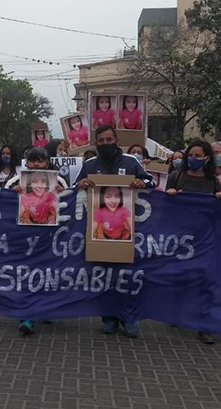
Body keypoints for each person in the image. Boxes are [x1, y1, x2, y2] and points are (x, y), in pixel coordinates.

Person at [75, 125, 153, 338]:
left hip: (126, 231)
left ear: (116, 140)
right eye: (101, 140)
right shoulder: (90, 164)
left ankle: (129, 318)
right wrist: (81, 183)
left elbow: (151, 182)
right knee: (104, 277)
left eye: (109, 139)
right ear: (96, 142)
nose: (105, 143)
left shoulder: (131, 161)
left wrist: (141, 182)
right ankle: (108, 318)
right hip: (98, 230)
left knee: (127, 277)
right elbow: (75, 189)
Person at [165, 140, 221, 345]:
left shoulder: (212, 182)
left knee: (205, 281)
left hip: (204, 238)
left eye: (198, 156)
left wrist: (219, 199)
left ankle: (204, 325)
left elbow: (217, 214)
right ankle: (176, 311)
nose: (194, 159)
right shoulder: (176, 176)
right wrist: (170, 197)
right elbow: (166, 208)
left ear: (207, 158)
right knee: (181, 277)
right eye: (191, 155)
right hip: (181, 237)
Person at [5, 147, 67, 335]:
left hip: (49, 238)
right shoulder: (16, 180)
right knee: (26, 275)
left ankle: (45, 308)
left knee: (47, 273)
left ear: (47, 163)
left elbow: (70, 204)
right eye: (33, 161)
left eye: (40, 161)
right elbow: (2, 202)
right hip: (24, 238)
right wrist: (11, 192)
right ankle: (27, 315)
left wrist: (62, 193)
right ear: (27, 163)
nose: (37, 164)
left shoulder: (60, 180)